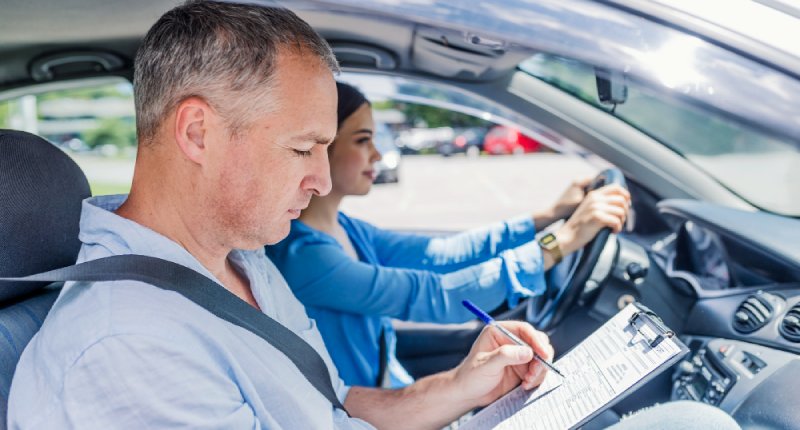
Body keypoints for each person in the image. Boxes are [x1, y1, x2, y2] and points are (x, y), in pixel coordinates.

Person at [7, 2, 740, 429]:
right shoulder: (126, 347)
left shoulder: (238, 261)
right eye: (303, 148)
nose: (323, 177)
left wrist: (454, 390)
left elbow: (330, 405)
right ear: (197, 133)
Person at [266, 81, 631, 388]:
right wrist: (561, 242)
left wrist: (549, 217)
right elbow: (436, 297)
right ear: (321, 146)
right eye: (363, 141)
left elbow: (443, 252)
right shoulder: (305, 255)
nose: (378, 154)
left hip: (389, 384)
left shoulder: (347, 228)